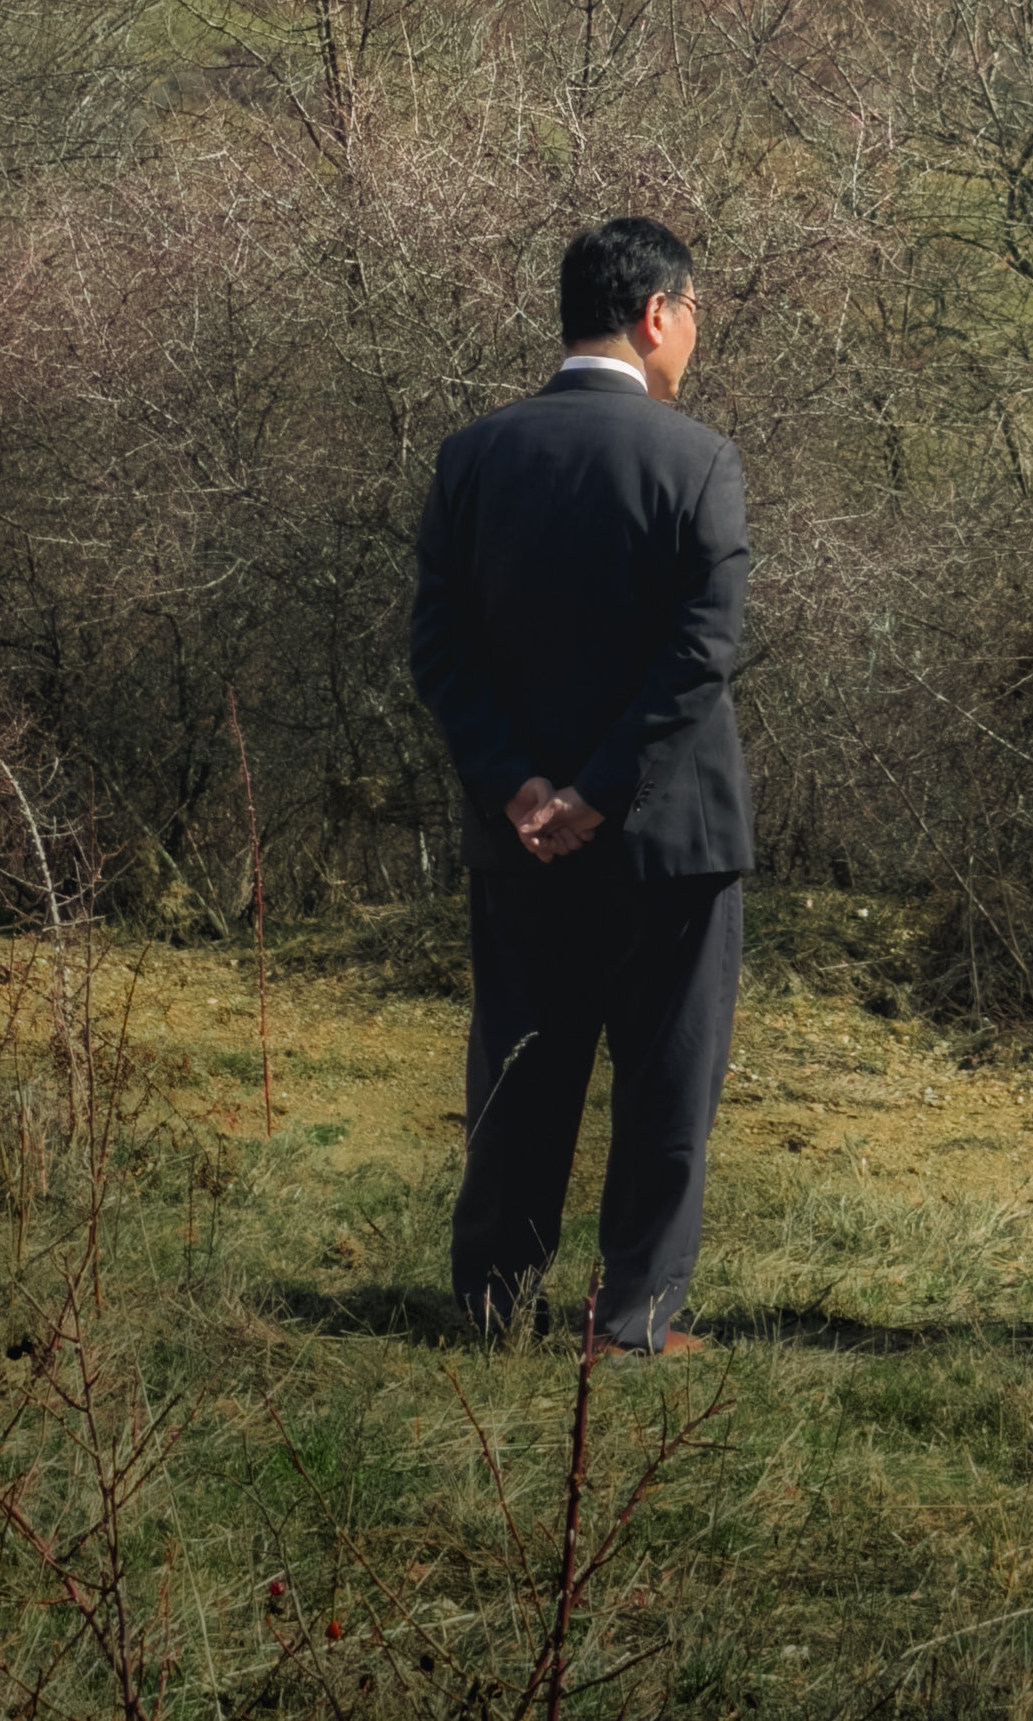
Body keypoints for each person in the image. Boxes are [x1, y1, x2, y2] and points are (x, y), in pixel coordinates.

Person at [409, 215, 751, 1357]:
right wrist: (602, 789)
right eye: (692, 310)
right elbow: (698, 653)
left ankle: (495, 1304)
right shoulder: (695, 459)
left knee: (520, 1068)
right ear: (656, 312)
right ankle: (633, 1317)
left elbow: (437, 648)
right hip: (669, 837)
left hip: (519, 839)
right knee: (666, 1083)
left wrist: (517, 786)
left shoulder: (472, 454)